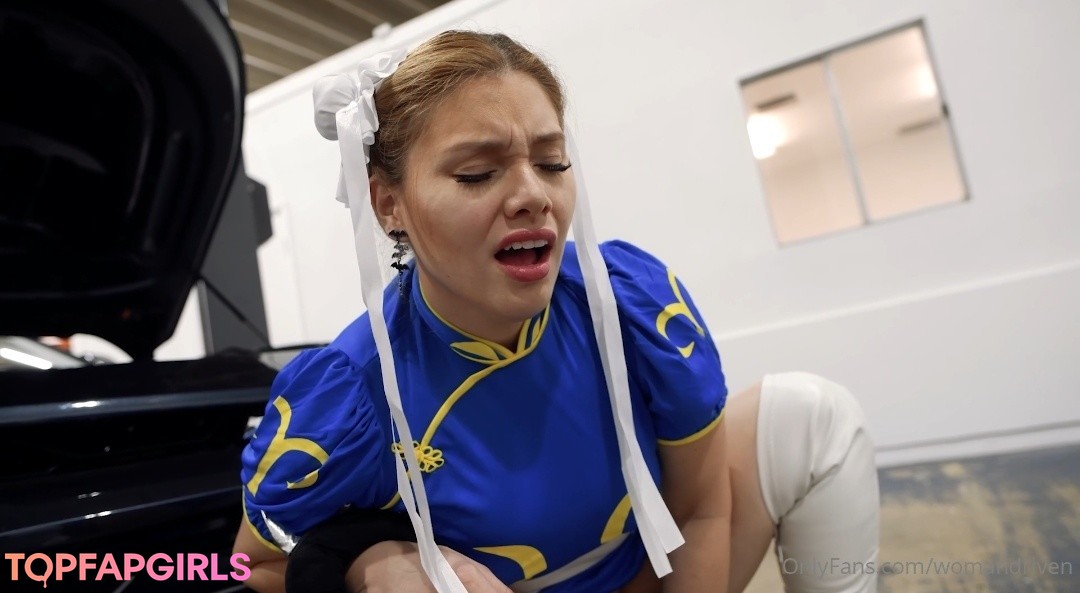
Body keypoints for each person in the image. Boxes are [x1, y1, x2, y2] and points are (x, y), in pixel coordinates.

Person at [232, 30, 880, 593]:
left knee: (809, 414)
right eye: (477, 173)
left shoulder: (629, 305)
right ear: (388, 204)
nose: (532, 195)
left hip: (651, 574)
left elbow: (702, 509)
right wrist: (363, 564)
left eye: (551, 162)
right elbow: (234, 569)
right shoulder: (351, 392)